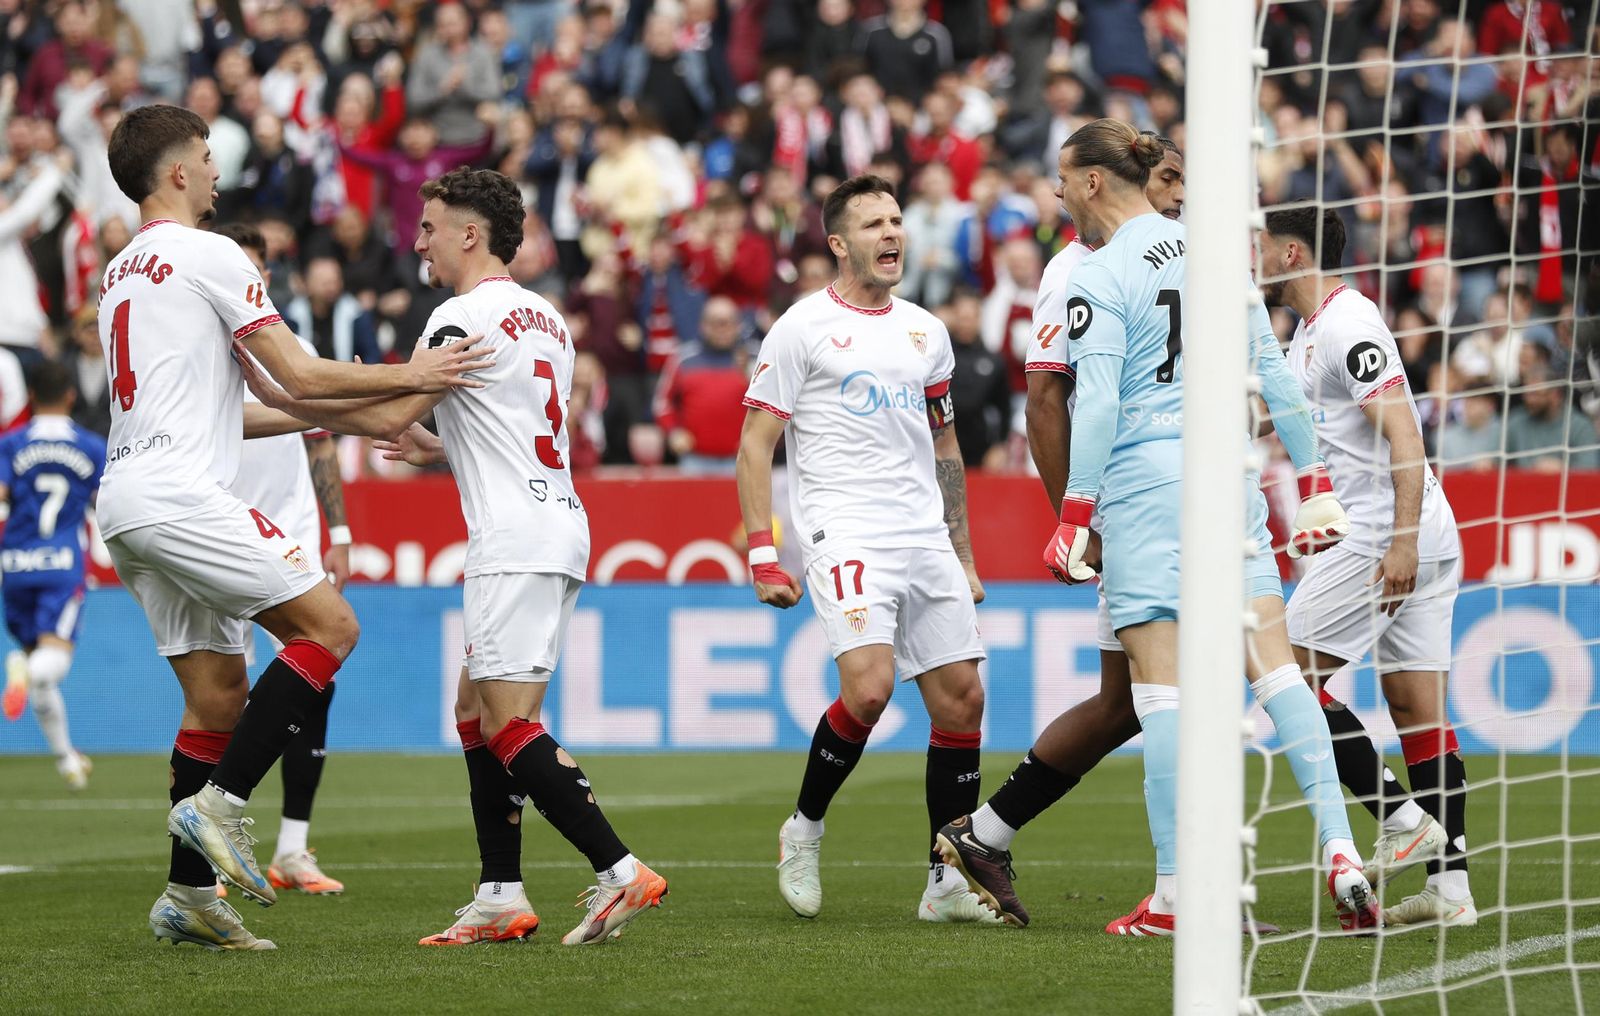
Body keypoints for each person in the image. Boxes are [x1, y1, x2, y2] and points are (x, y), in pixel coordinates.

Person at [938, 120, 1374, 935]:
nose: (1058, 191)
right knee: (1278, 674)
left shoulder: (1098, 273)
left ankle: (1175, 893)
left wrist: (1074, 515)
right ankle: (1343, 849)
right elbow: (1275, 376)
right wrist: (1315, 480)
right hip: (1230, 480)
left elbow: (1097, 401)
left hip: (1146, 487)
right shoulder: (1219, 257)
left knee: (1158, 692)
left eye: (1064, 177)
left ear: (1093, 182)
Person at [98, 104, 488, 951]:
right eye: (206, 156)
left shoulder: (122, 270)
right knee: (331, 627)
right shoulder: (210, 253)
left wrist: (373, 413)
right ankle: (223, 805)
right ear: (177, 173)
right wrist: (414, 372)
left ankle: (189, 898)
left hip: (126, 500)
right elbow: (300, 372)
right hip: (180, 493)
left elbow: (254, 407)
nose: (216, 171)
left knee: (217, 695)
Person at [246, 167, 669, 947]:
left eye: (429, 227)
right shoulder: (547, 319)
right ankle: (500, 893)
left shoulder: (458, 317)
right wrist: (438, 447)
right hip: (555, 520)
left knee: (508, 725)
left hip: (513, 538)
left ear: (469, 234)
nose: (418, 243)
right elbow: (517, 430)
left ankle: (620, 870)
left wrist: (280, 402)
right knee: (474, 713)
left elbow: (389, 409)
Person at [930, 134, 1186, 930]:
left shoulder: (1174, 257)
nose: (1180, 195)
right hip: (1131, 506)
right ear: (1128, 181)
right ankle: (1192, 890)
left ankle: (985, 833)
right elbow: (1047, 399)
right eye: (1171, 179)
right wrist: (1079, 519)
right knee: (1179, 689)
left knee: (1127, 703)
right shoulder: (1074, 269)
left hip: (1168, 500)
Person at [736, 174, 997, 925]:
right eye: (874, 224)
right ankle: (803, 829)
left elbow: (945, 445)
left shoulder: (927, 332)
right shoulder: (802, 327)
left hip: (923, 534)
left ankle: (946, 880)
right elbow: (755, 444)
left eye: (896, 220)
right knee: (870, 689)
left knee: (963, 698)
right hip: (844, 528)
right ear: (839, 243)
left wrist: (964, 554)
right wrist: (763, 552)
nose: (892, 233)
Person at [1261, 206, 1475, 927]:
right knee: (1417, 708)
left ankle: (1397, 818)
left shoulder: (1348, 325)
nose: (1251, 259)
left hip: (1389, 534)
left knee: (1281, 670)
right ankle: (1451, 892)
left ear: (1291, 252)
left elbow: (1405, 435)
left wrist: (1402, 542)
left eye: (1259, 246)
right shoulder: (1306, 333)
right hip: (1418, 531)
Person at [219, 222, 352, 898]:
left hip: (292, 534)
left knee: (318, 675)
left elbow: (321, 442)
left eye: (257, 268)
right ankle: (210, 857)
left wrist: (340, 528)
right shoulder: (202, 353)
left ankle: (293, 848)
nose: (249, 279)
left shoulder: (296, 351)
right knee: (222, 693)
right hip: (219, 530)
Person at [0, 362, 106, 791]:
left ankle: (67, 759)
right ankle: (21, 668)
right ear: (70, 395)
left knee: (42, 678)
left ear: (30, 395)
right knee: (50, 664)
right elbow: (106, 503)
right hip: (61, 566)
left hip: (15, 565)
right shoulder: (91, 446)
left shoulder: (11, 444)